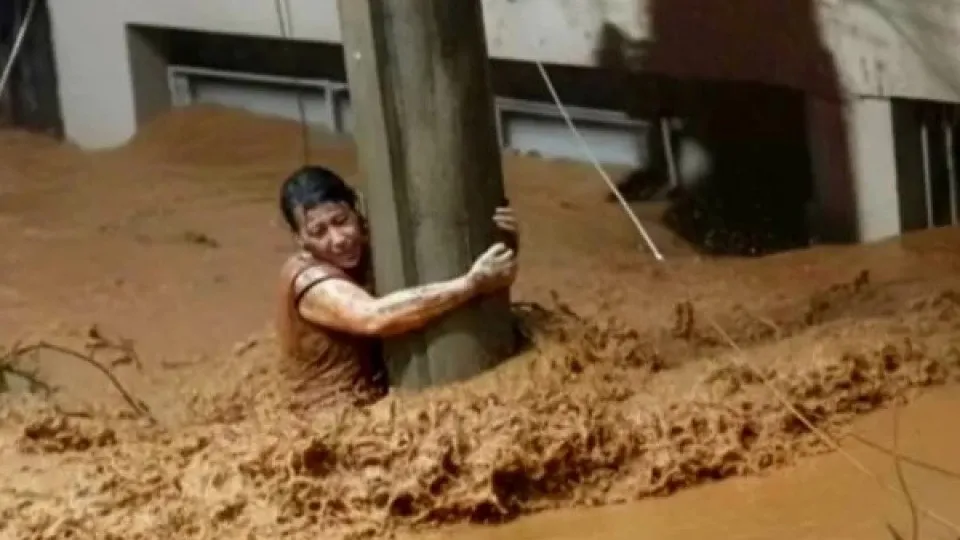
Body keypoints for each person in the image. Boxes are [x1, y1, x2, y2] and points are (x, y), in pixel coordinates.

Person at [275, 165, 519, 410]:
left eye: (341, 221)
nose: (338, 239)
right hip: (330, 413)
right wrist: (470, 284)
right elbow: (372, 317)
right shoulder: (308, 279)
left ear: (356, 211)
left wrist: (501, 240)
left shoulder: (374, 243)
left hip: (379, 394)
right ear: (300, 240)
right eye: (319, 232)